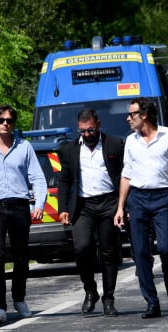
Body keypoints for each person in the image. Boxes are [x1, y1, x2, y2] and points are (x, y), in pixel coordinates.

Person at [114, 97, 168, 319]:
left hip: (163, 197)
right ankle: (151, 301)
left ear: (144, 115)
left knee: (167, 248)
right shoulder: (130, 141)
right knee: (140, 253)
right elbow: (126, 174)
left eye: (132, 114)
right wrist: (120, 207)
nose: (128, 118)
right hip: (137, 199)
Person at [0, 105, 47, 324]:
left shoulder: (25, 147)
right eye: (1, 120)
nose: (6, 124)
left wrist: (39, 203)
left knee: (21, 255)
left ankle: (19, 299)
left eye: (10, 121)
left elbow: (38, 178)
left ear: (14, 124)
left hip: (19, 204)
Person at [58, 108, 125, 317]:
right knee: (82, 247)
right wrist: (63, 208)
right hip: (83, 206)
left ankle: (109, 298)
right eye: (83, 131)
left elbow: (125, 175)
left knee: (109, 252)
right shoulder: (69, 150)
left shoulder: (114, 144)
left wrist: (124, 206)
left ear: (98, 124)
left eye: (91, 130)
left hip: (109, 203)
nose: (87, 135)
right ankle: (90, 290)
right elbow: (65, 180)